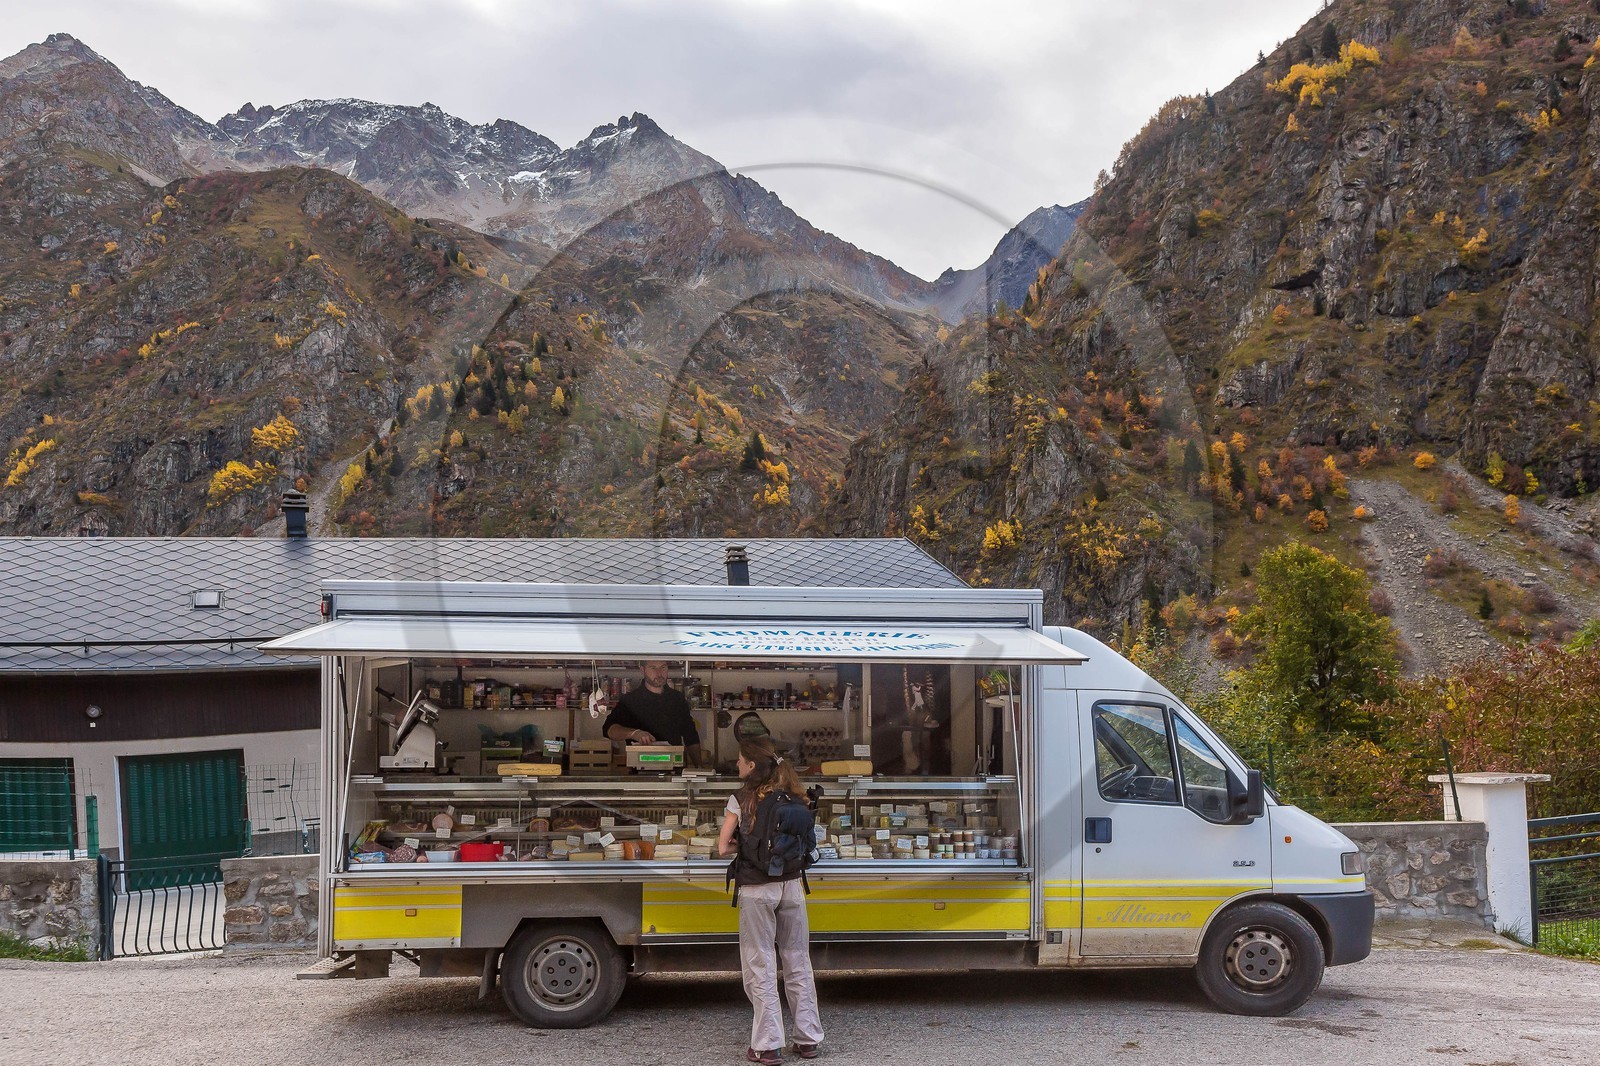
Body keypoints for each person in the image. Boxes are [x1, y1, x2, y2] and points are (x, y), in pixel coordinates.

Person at [718, 737, 824, 1064]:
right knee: (797, 962)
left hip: (757, 889)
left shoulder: (741, 799)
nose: (737, 765)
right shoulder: (796, 796)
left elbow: (723, 846)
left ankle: (767, 1045)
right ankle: (807, 1039)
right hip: (792, 885)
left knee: (760, 963)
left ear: (752, 766)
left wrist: (746, 846)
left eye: (740, 761)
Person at [603, 660, 704, 767]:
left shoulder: (677, 699)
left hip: (674, 771)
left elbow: (690, 736)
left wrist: (699, 767)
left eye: (663, 667)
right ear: (643, 670)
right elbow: (608, 729)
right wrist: (634, 733)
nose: (659, 673)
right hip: (640, 773)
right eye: (653, 668)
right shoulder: (630, 700)